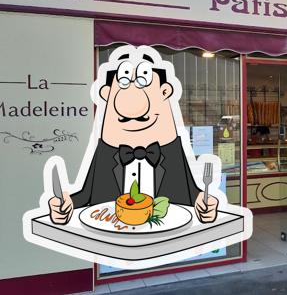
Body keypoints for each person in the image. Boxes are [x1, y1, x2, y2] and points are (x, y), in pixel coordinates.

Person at [48, 46, 218, 225]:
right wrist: (65, 205)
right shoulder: (106, 151)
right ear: (107, 94)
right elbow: (86, 194)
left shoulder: (172, 150)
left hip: (165, 238)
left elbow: (191, 194)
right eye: (123, 84)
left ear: (165, 92)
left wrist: (204, 203)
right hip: (112, 238)